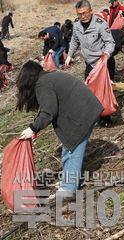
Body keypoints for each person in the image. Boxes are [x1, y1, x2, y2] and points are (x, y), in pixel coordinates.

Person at [17, 61, 103, 193]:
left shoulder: (43, 83)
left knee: (72, 151)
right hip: (86, 109)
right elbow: (48, 107)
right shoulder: (48, 78)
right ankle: (68, 181)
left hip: (84, 113)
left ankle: (68, 189)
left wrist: (33, 128)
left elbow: (49, 111)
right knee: (68, 148)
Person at [65, 0, 115, 79]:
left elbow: (110, 42)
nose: (83, 16)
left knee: (104, 88)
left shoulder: (100, 24)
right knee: (89, 87)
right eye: (79, 14)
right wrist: (69, 56)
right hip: (89, 63)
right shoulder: (77, 25)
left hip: (103, 63)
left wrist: (106, 54)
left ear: (91, 11)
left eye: (85, 13)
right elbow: (74, 41)